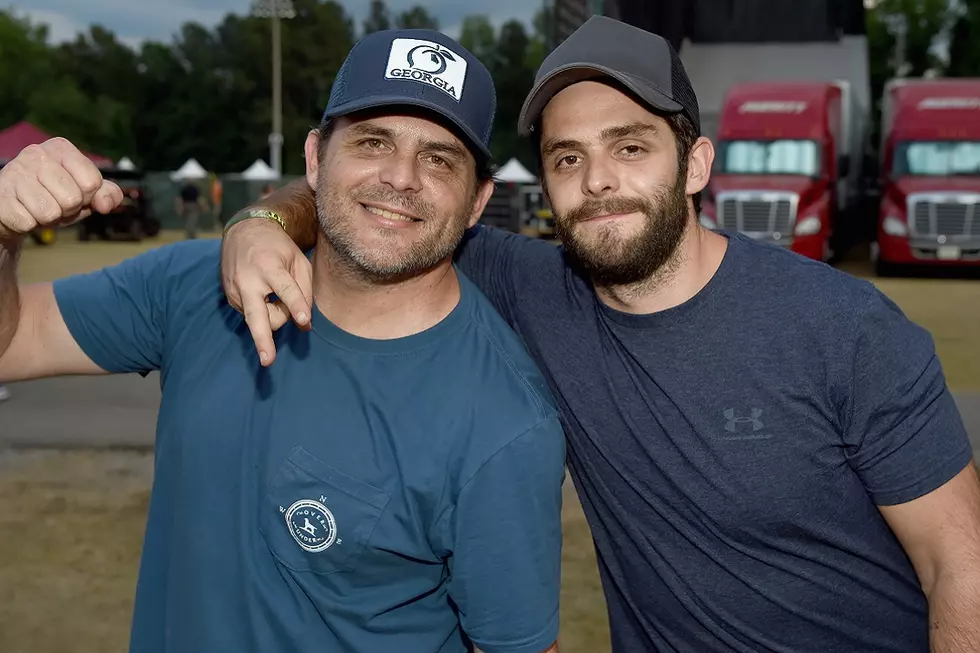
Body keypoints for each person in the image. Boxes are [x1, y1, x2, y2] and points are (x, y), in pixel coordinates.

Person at [221, 15, 980, 653]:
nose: (597, 181)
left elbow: (959, 563)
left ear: (695, 164)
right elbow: (375, 200)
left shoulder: (844, 329)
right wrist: (259, 222)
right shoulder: (532, 289)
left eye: (630, 147)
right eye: (567, 158)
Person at [0, 28, 565, 653]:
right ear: (316, 158)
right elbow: (14, 338)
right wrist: (2, 235)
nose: (400, 177)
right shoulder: (196, 286)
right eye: (373, 141)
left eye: (438, 159)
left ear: (479, 200)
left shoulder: (504, 424)